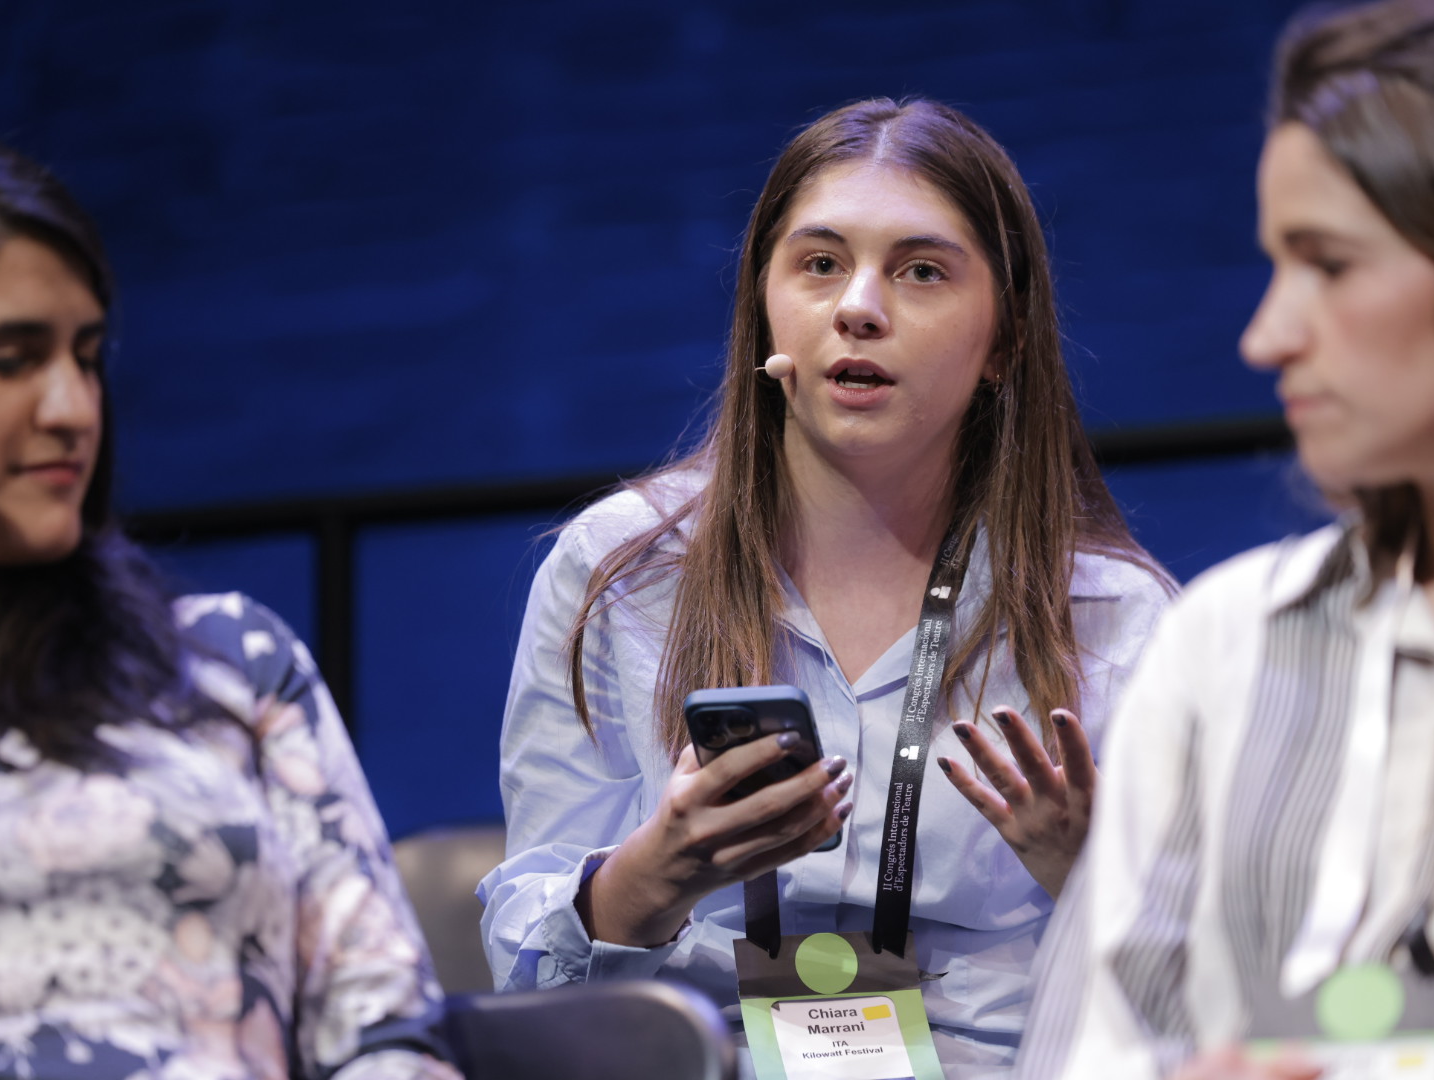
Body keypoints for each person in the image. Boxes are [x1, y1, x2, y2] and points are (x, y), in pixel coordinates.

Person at [478, 96, 1171, 1075]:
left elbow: (1215, 999)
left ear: (1005, 341)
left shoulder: (1114, 619)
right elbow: (528, 1004)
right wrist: (652, 876)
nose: (858, 307)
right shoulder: (622, 571)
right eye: (820, 264)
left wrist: (1096, 879)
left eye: (921, 271)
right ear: (764, 308)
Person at [0, 129, 460, 1080]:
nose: (71, 408)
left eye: (85, 357)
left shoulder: (228, 667)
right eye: (9, 359)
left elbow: (385, 1031)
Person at [1011, 2, 1434, 1076]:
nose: (1265, 336)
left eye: (1331, 265)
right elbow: (1093, 1042)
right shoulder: (1225, 641)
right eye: (1276, 264)